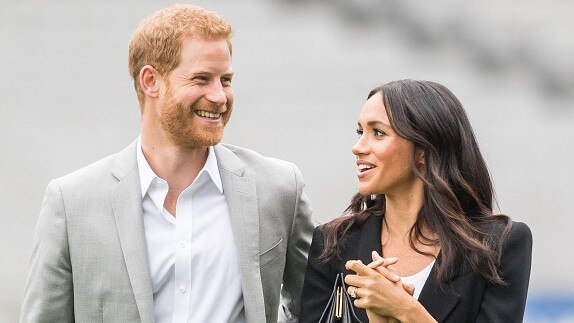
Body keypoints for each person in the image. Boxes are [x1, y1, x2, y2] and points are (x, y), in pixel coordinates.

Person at [20, 5, 314, 323]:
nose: (220, 97)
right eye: (202, 79)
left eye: (226, 80)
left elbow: (317, 305)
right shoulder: (71, 202)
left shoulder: (279, 188)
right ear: (151, 81)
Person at [300, 79, 532, 322]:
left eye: (378, 133)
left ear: (423, 150)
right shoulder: (333, 244)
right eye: (360, 132)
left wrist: (405, 310)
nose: (358, 147)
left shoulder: (500, 245)